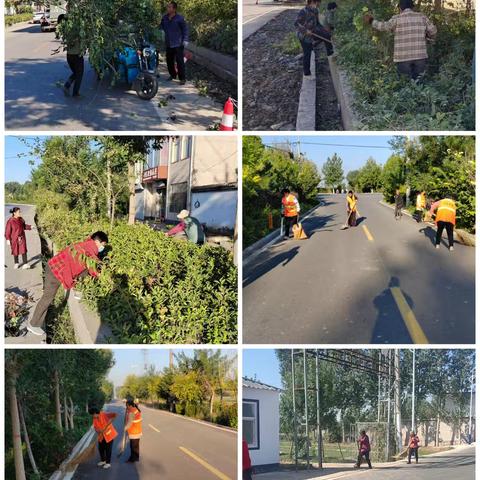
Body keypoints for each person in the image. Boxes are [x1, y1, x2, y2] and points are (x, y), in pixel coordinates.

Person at [27, 231, 109, 336]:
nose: (103, 248)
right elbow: (93, 267)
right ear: (97, 242)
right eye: (103, 245)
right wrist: (102, 275)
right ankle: (33, 324)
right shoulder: (89, 250)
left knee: (85, 270)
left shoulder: (85, 245)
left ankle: (77, 290)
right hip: (54, 272)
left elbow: (88, 265)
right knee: (47, 298)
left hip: (55, 267)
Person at [364, 0, 437, 80]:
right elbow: (433, 31)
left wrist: (371, 21)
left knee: (405, 84)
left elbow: (383, 26)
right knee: (420, 83)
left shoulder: (397, 18)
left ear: (400, 8)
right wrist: (429, 38)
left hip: (403, 58)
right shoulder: (422, 17)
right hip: (420, 56)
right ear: (413, 7)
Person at [295, 0, 334, 77]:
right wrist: (305, 31)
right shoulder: (303, 11)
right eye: (318, 2)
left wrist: (325, 30)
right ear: (312, 2)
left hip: (313, 31)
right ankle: (307, 73)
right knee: (307, 53)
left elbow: (318, 24)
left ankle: (331, 53)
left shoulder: (315, 10)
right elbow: (296, 23)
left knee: (327, 35)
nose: (319, 4)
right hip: (303, 36)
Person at [160, 2, 189, 85]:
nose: (168, 8)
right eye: (167, 7)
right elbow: (161, 26)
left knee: (180, 61)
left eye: (170, 7)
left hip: (178, 43)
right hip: (169, 43)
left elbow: (185, 29)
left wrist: (185, 39)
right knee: (169, 61)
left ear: (174, 9)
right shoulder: (165, 18)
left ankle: (182, 78)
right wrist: (161, 31)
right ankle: (173, 75)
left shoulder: (180, 18)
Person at [63, 26, 84, 97]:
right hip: (77, 55)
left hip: (69, 55)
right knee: (79, 74)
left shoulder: (67, 28)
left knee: (76, 73)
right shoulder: (79, 28)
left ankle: (67, 85)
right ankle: (75, 93)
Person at [125, 399, 142, 463]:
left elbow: (129, 424)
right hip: (137, 431)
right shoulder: (134, 409)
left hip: (134, 432)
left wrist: (125, 428)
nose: (126, 407)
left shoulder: (132, 411)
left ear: (129, 405)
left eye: (126, 405)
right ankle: (136, 458)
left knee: (133, 447)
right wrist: (127, 411)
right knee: (136, 446)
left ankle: (132, 459)